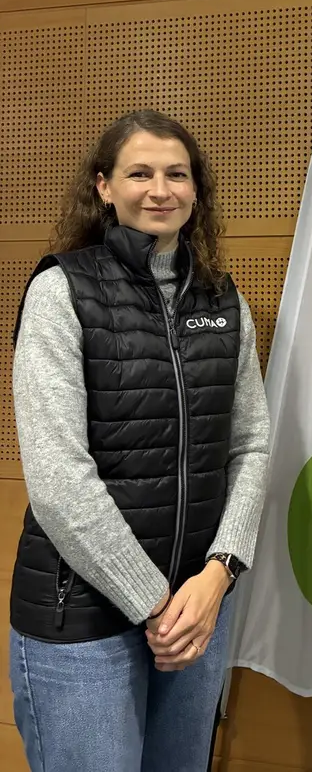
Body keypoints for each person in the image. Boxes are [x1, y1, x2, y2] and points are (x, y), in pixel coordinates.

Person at [10, 110, 270, 772]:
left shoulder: (222, 297)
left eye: (176, 174)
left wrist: (218, 574)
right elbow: (59, 484)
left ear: (196, 189)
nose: (160, 189)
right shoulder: (60, 290)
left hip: (197, 613)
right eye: (140, 173)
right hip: (87, 622)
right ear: (104, 186)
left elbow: (250, 447)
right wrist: (156, 604)